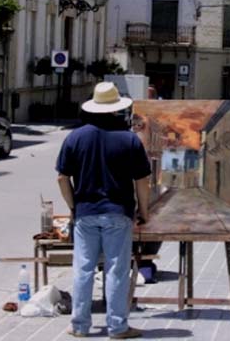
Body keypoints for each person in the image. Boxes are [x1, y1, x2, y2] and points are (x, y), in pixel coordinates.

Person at [56, 82, 151, 339]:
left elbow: (62, 178)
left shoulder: (75, 137)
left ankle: (79, 326)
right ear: (115, 109)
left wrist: (74, 206)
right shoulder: (129, 139)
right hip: (118, 213)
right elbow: (142, 181)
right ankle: (118, 327)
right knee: (116, 270)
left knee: (83, 269)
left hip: (86, 213)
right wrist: (144, 211)